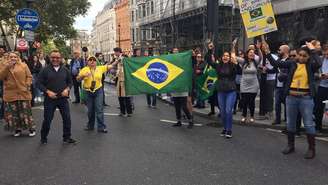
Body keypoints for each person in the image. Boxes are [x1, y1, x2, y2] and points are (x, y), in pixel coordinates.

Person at [263, 41, 321, 159]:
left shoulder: (311, 65)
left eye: (305, 56)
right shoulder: (291, 64)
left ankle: (311, 149)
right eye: (300, 55)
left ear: (309, 57)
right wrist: (267, 51)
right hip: (291, 97)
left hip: (306, 98)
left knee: (309, 124)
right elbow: (275, 63)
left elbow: (319, 63)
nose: (301, 57)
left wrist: (313, 50)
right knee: (290, 123)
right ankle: (291, 145)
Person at [38, 49, 76, 144]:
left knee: (67, 119)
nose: (55, 59)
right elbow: (39, 83)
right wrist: (47, 91)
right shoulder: (45, 70)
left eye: (57, 57)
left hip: (63, 99)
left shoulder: (65, 70)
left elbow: (70, 82)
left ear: (61, 58)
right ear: (50, 58)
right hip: (50, 99)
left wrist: (67, 89)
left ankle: (66, 137)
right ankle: (43, 137)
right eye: (53, 57)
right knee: (47, 120)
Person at [77, 56, 118, 133]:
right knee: (90, 111)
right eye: (90, 60)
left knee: (99, 109)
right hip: (88, 91)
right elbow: (78, 79)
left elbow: (111, 66)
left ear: (96, 62)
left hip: (98, 91)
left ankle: (101, 127)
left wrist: (118, 60)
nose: (92, 61)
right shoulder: (84, 69)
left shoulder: (100, 68)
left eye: (94, 60)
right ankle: (90, 125)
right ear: (87, 62)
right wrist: (83, 76)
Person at [0, 51, 35, 137]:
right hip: (10, 93)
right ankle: (17, 129)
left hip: (23, 92)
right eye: (11, 57)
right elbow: (1, 77)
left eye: (15, 57)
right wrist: (7, 67)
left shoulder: (23, 65)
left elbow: (29, 76)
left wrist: (27, 84)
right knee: (14, 113)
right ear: (8, 58)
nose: (13, 58)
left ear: (18, 58)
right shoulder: (4, 65)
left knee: (26, 112)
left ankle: (31, 129)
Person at [207, 41, 238, 138]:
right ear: (222, 57)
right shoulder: (218, 65)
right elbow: (208, 61)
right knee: (223, 112)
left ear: (230, 58)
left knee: (229, 110)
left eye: (227, 56)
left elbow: (239, 70)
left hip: (231, 91)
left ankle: (229, 130)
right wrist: (210, 49)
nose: (225, 57)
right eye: (224, 56)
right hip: (221, 91)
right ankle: (224, 128)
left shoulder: (233, 66)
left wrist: (234, 53)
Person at [238, 43, 262, 124]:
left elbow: (261, 57)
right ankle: (244, 116)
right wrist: (233, 46)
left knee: (251, 102)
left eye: (253, 52)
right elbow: (233, 57)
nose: (252, 54)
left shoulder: (256, 62)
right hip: (244, 84)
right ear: (247, 54)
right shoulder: (243, 62)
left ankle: (252, 116)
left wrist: (258, 49)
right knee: (244, 101)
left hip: (254, 85)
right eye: (250, 52)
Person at [272, 45, 290, 125]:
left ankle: (287, 120)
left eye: (280, 50)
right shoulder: (279, 60)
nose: (278, 51)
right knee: (277, 104)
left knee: (287, 103)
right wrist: (266, 69)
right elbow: (274, 70)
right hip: (277, 86)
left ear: (285, 51)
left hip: (286, 86)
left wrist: (283, 76)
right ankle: (277, 119)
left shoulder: (290, 61)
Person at [113, 47, 133, 117]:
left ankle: (129, 112)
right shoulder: (117, 59)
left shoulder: (124, 57)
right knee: (120, 97)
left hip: (125, 79)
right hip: (119, 79)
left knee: (126, 96)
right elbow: (116, 67)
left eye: (115, 52)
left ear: (118, 52)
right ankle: (122, 111)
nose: (115, 53)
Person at [314, 45, 328, 133]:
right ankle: (318, 127)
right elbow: (313, 72)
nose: (326, 55)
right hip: (321, 87)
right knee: (318, 108)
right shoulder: (320, 59)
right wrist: (319, 76)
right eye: (325, 53)